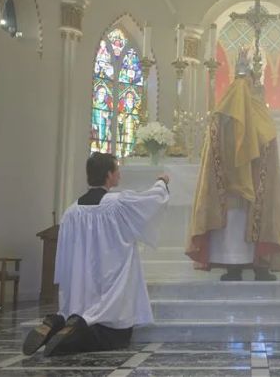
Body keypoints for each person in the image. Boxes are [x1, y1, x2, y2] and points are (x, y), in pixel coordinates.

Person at [22, 152, 170, 356]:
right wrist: (162, 182)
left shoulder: (72, 211)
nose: (119, 173)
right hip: (111, 281)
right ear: (109, 174)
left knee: (78, 313)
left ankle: (58, 322)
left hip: (81, 285)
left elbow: (64, 255)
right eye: (117, 169)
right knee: (114, 333)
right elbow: (150, 201)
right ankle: (76, 332)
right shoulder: (117, 203)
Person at [186, 48, 280, 281]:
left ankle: (234, 267)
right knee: (243, 221)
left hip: (229, 188)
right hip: (250, 187)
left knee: (232, 224)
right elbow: (268, 143)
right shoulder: (255, 111)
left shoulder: (221, 115)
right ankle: (259, 265)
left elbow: (213, 149)